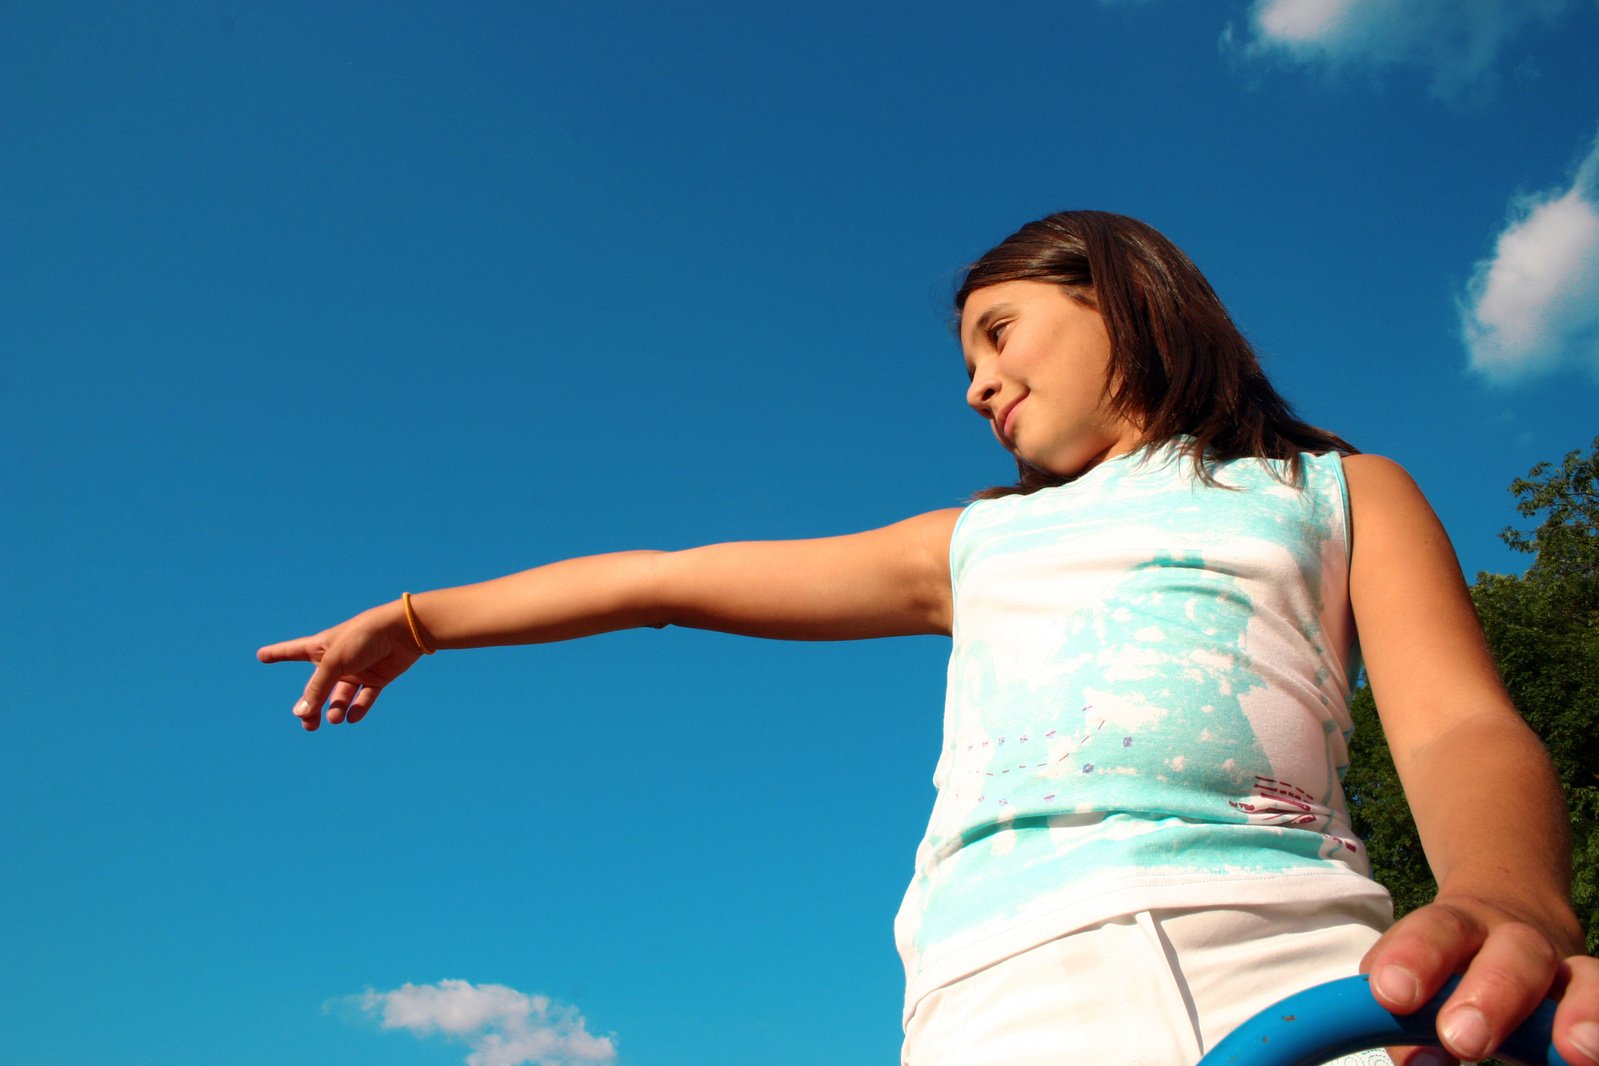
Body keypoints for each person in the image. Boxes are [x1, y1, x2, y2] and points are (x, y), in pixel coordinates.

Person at [259, 211, 1595, 1066]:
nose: (976, 383)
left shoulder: (1337, 490)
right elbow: (667, 578)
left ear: (1124, 300)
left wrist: (1512, 894)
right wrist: (430, 619)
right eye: (968, 359)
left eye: (999, 331)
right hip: (996, 993)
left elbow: (1456, 721)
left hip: (1295, 952)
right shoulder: (967, 542)